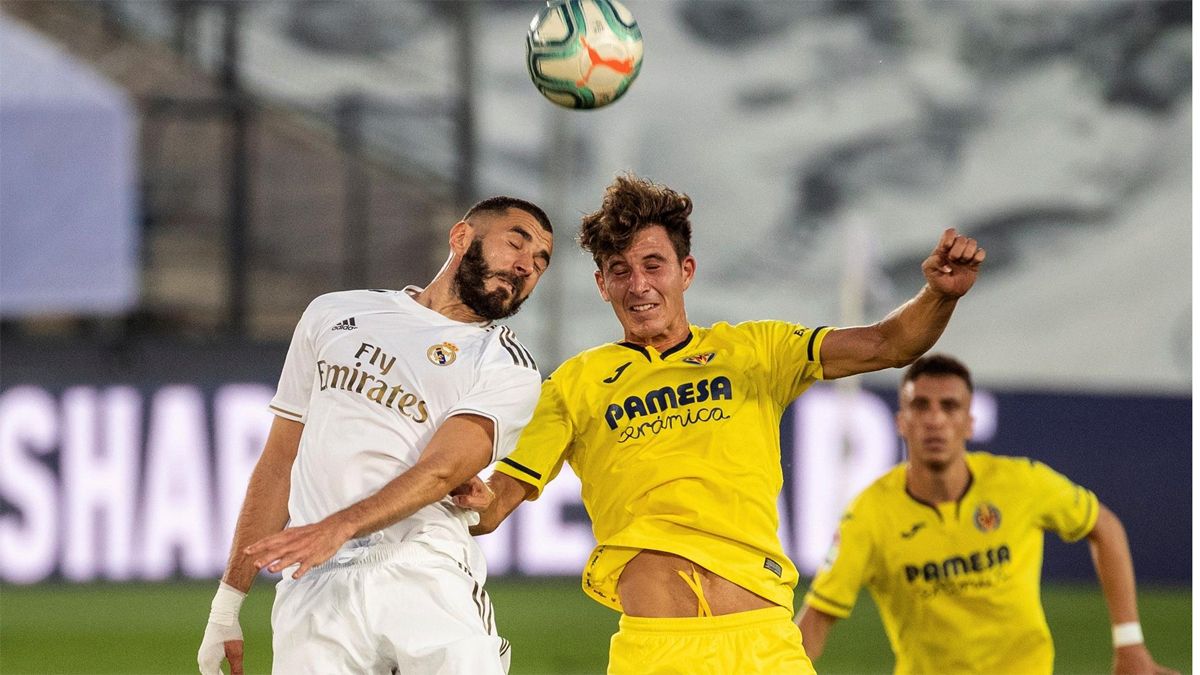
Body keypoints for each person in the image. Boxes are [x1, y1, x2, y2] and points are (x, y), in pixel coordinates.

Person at [460, 173, 985, 674]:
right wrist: (467, 496)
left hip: (764, 642)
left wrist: (940, 296)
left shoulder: (756, 350)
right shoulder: (574, 383)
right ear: (602, 284)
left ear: (686, 271)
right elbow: (497, 499)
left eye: (653, 264)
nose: (638, 285)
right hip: (657, 649)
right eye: (620, 270)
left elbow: (888, 344)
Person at [197, 196, 554, 675]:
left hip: (424, 572)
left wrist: (337, 527)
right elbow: (281, 458)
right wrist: (227, 603)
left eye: (540, 262)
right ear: (461, 237)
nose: (525, 266)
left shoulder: (505, 363)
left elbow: (442, 469)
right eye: (517, 243)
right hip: (315, 586)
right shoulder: (334, 314)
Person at [795, 353, 1178, 675]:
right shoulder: (870, 513)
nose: (935, 419)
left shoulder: (1020, 483)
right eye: (920, 405)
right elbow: (817, 617)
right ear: (902, 422)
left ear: (969, 422)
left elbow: (1103, 525)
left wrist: (1130, 644)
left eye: (950, 407)